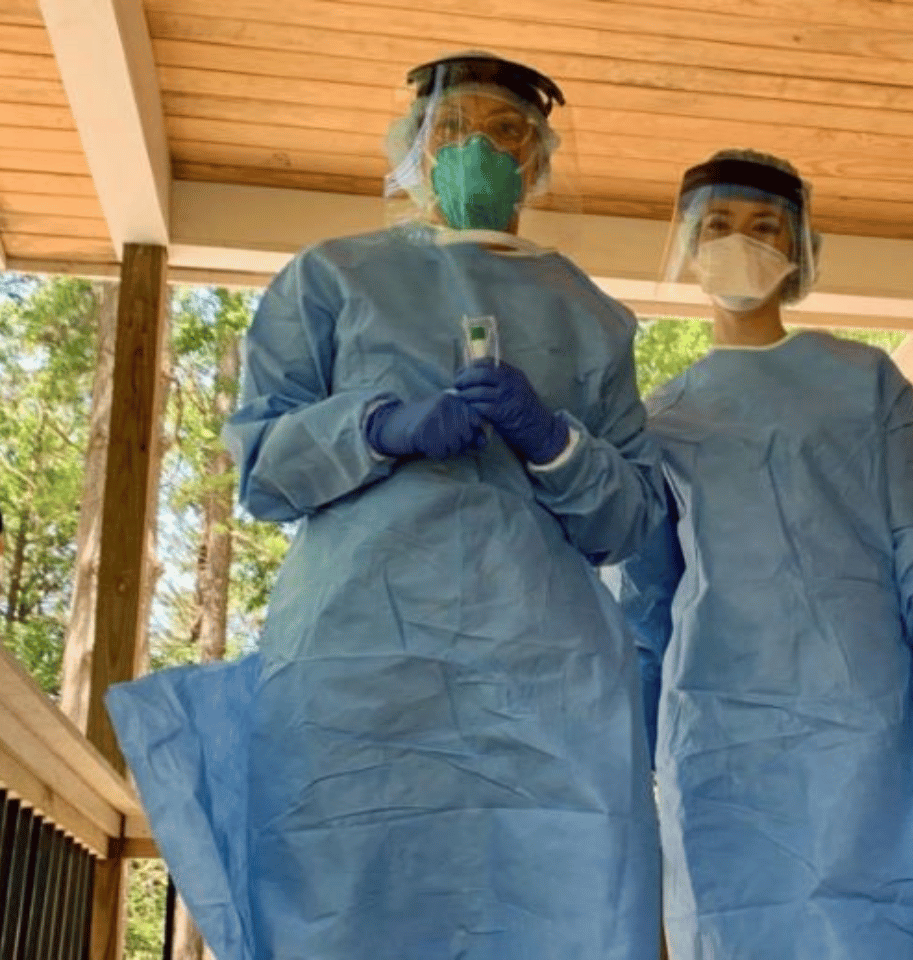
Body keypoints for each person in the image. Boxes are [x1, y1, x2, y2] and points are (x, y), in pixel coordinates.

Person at [107, 52, 664, 960]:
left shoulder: (591, 316)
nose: (478, 147)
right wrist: (379, 428)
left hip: (546, 683)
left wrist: (554, 443)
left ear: (540, 159)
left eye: (507, 131)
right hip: (359, 675)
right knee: (345, 901)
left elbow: (628, 521)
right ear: (410, 147)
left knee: (556, 907)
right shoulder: (332, 279)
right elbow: (260, 467)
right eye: (451, 128)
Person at [610, 149, 913, 959]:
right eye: (720, 226)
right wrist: (625, 748)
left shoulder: (866, 382)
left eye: (766, 227)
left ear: (799, 251)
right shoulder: (660, 420)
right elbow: (645, 603)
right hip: (722, 738)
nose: (743, 243)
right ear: (688, 247)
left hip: (878, 718)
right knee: (754, 928)